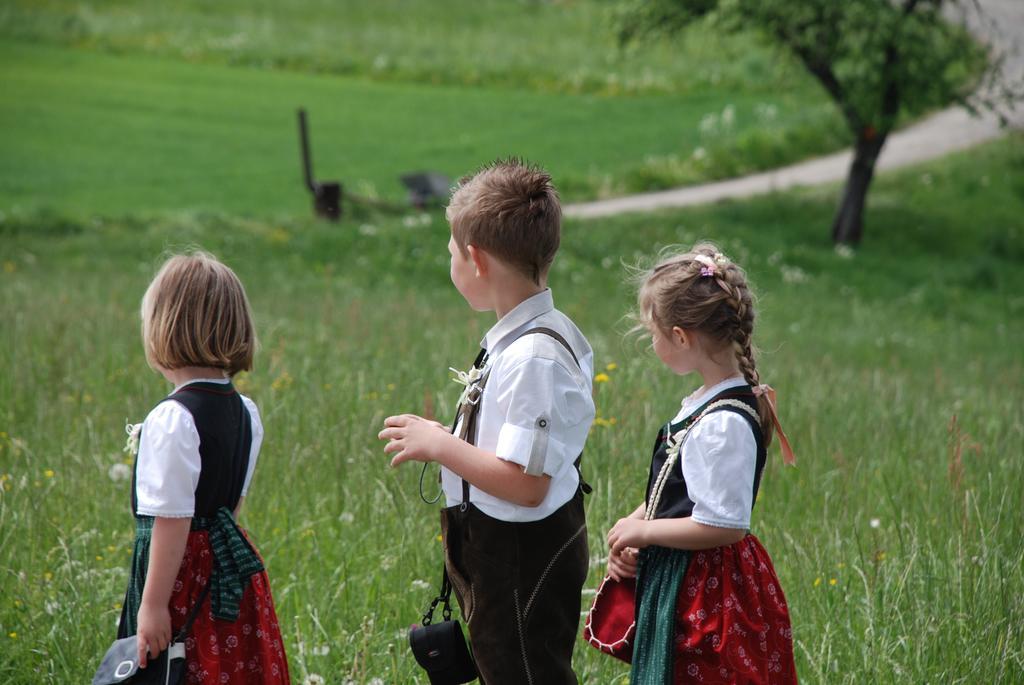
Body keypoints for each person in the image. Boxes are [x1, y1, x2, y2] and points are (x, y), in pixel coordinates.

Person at [379, 159, 596, 684]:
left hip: (520, 556)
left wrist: (440, 444)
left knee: (525, 674)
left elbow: (525, 485)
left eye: (451, 252)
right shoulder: (524, 336)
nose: (449, 260)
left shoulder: (534, 359)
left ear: (475, 260)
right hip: (504, 550)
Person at [606, 243, 797, 684]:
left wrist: (647, 531)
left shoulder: (722, 424)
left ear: (680, 337)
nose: (651, 343)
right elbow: (681, 495)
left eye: (653, 333)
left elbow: (725, 524)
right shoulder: (706, 406)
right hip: (682, 574)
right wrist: (633, 529)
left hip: (709, 595)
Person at [118, 251, 290, 684]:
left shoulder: (172, 418)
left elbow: (172, 521)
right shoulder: (245, 411)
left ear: (165, 328)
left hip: (177, 581)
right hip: (225, 573)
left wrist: (154, 604)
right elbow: (230, 511)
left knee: (171, 668)